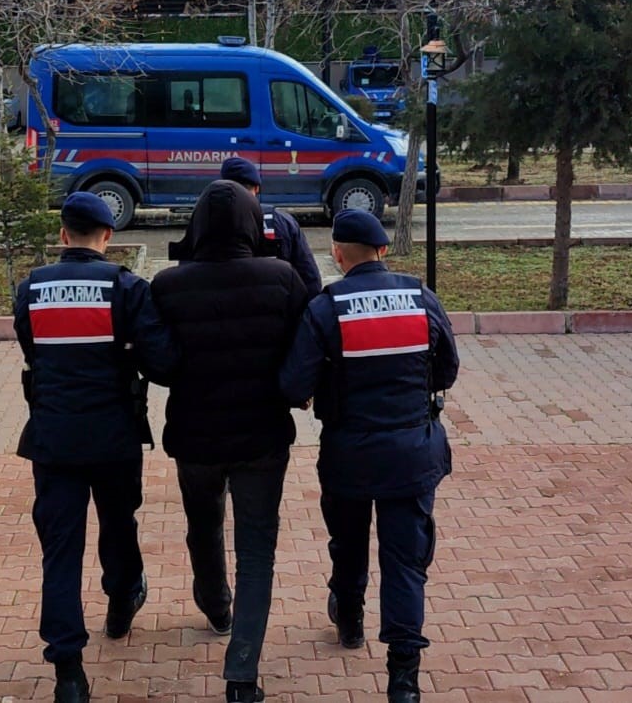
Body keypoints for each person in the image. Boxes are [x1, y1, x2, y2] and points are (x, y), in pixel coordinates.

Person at [278, 209, 460, 703]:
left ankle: (351, 619)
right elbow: (446, 370)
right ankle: (404, 677)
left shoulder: (326, 307)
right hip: (411, 455)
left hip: (349, 455)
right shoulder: (421, 297)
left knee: (349, 541)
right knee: (405, 563)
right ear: (383, 250)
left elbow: (293, 384)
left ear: (337, 255)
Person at [13, 192, 179, 703]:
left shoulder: (31, 288)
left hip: (54, 439)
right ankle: (122, 596)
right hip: (113, 437)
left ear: (64, 235)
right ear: (108, 237)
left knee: (60, 551)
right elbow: (162, 365)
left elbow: (31, 349)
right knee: (118, 522)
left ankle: (68, 670)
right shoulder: (127, 287)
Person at [151, 179, 310, 703]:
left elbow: (162, 364)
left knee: (203, 525)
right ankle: (242, 673)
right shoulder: (284, 278)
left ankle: (215, 604)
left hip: (195, 436)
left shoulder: (168, 285)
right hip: (262, 436)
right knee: (257, 548)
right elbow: (300, 348)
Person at [218, 157, 322, 294]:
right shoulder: (283, 222)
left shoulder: (207, 222)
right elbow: (310, 279)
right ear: (256, 188)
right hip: (279, 309)